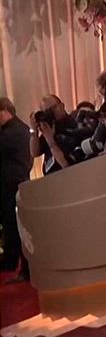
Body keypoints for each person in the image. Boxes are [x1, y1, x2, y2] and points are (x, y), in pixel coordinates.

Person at [0, 97, 33, 282]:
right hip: (16, 182)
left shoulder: (12, 132)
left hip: (11, 184)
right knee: (13, 225)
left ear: (5, 111)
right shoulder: (20, 128)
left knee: (15, 226)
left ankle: (17, 265)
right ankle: (12, 261)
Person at [28, 95, 76, 176]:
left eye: (53, 108)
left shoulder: (73, 124)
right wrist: (34, 131)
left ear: (62, 105)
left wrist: (50, 140)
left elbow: (67, 164)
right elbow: (35, 153)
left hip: (66, 175)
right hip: (50, 177)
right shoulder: (49, 128)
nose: (50, 113)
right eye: (46, 111)